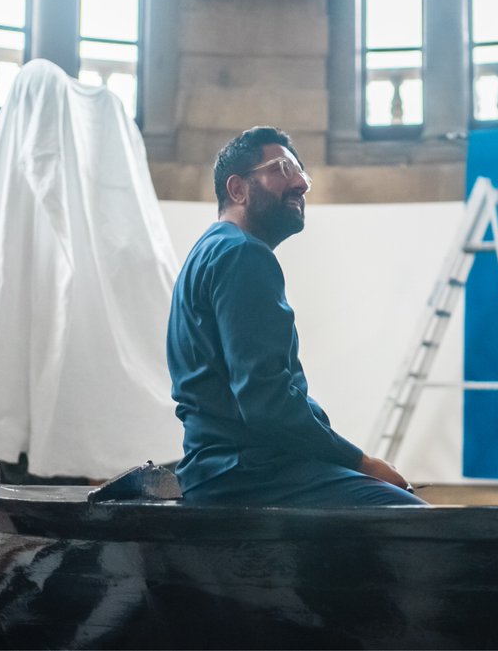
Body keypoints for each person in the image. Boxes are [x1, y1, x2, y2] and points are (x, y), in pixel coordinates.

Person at [166, 126, 427, 507]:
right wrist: (363, 462)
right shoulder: (243, 254)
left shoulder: (209, 250)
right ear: (237, 189)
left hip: (216, 471)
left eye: (301, 172)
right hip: (248, 474)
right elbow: (267, 403)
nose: (301, 184)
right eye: (283, 169)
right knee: (417, 525)